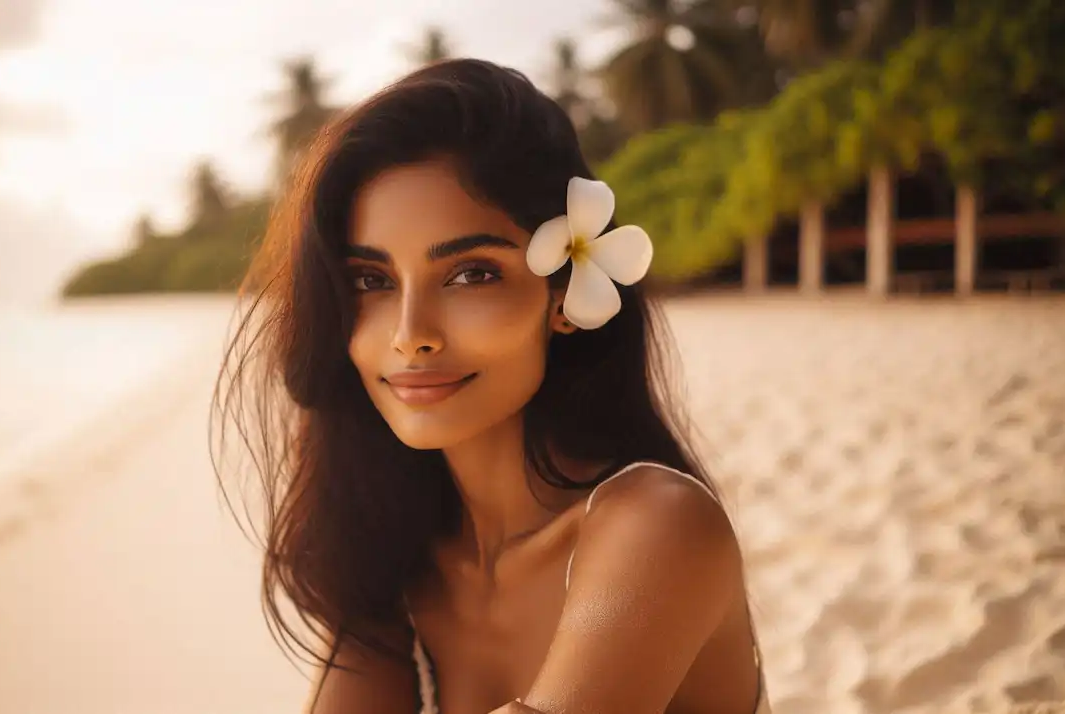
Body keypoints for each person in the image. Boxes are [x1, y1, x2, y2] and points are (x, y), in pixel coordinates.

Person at [215, 58, 770, 714]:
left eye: (471, 274)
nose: (410, 334)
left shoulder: (656, 526)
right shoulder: (396, 562)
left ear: (563, 295)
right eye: (372, 280)